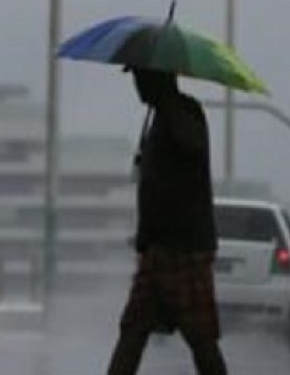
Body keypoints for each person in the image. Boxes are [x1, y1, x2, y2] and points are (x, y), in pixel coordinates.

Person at [106, 67, 227, 375]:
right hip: (157, 249)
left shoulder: (184, 112)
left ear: (158, 80)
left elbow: (193, 144)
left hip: (184, 249)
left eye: (140, 79)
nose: (137, 87)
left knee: (201, 337)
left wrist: (170, 106)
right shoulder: (158, 119)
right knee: (132, 330)